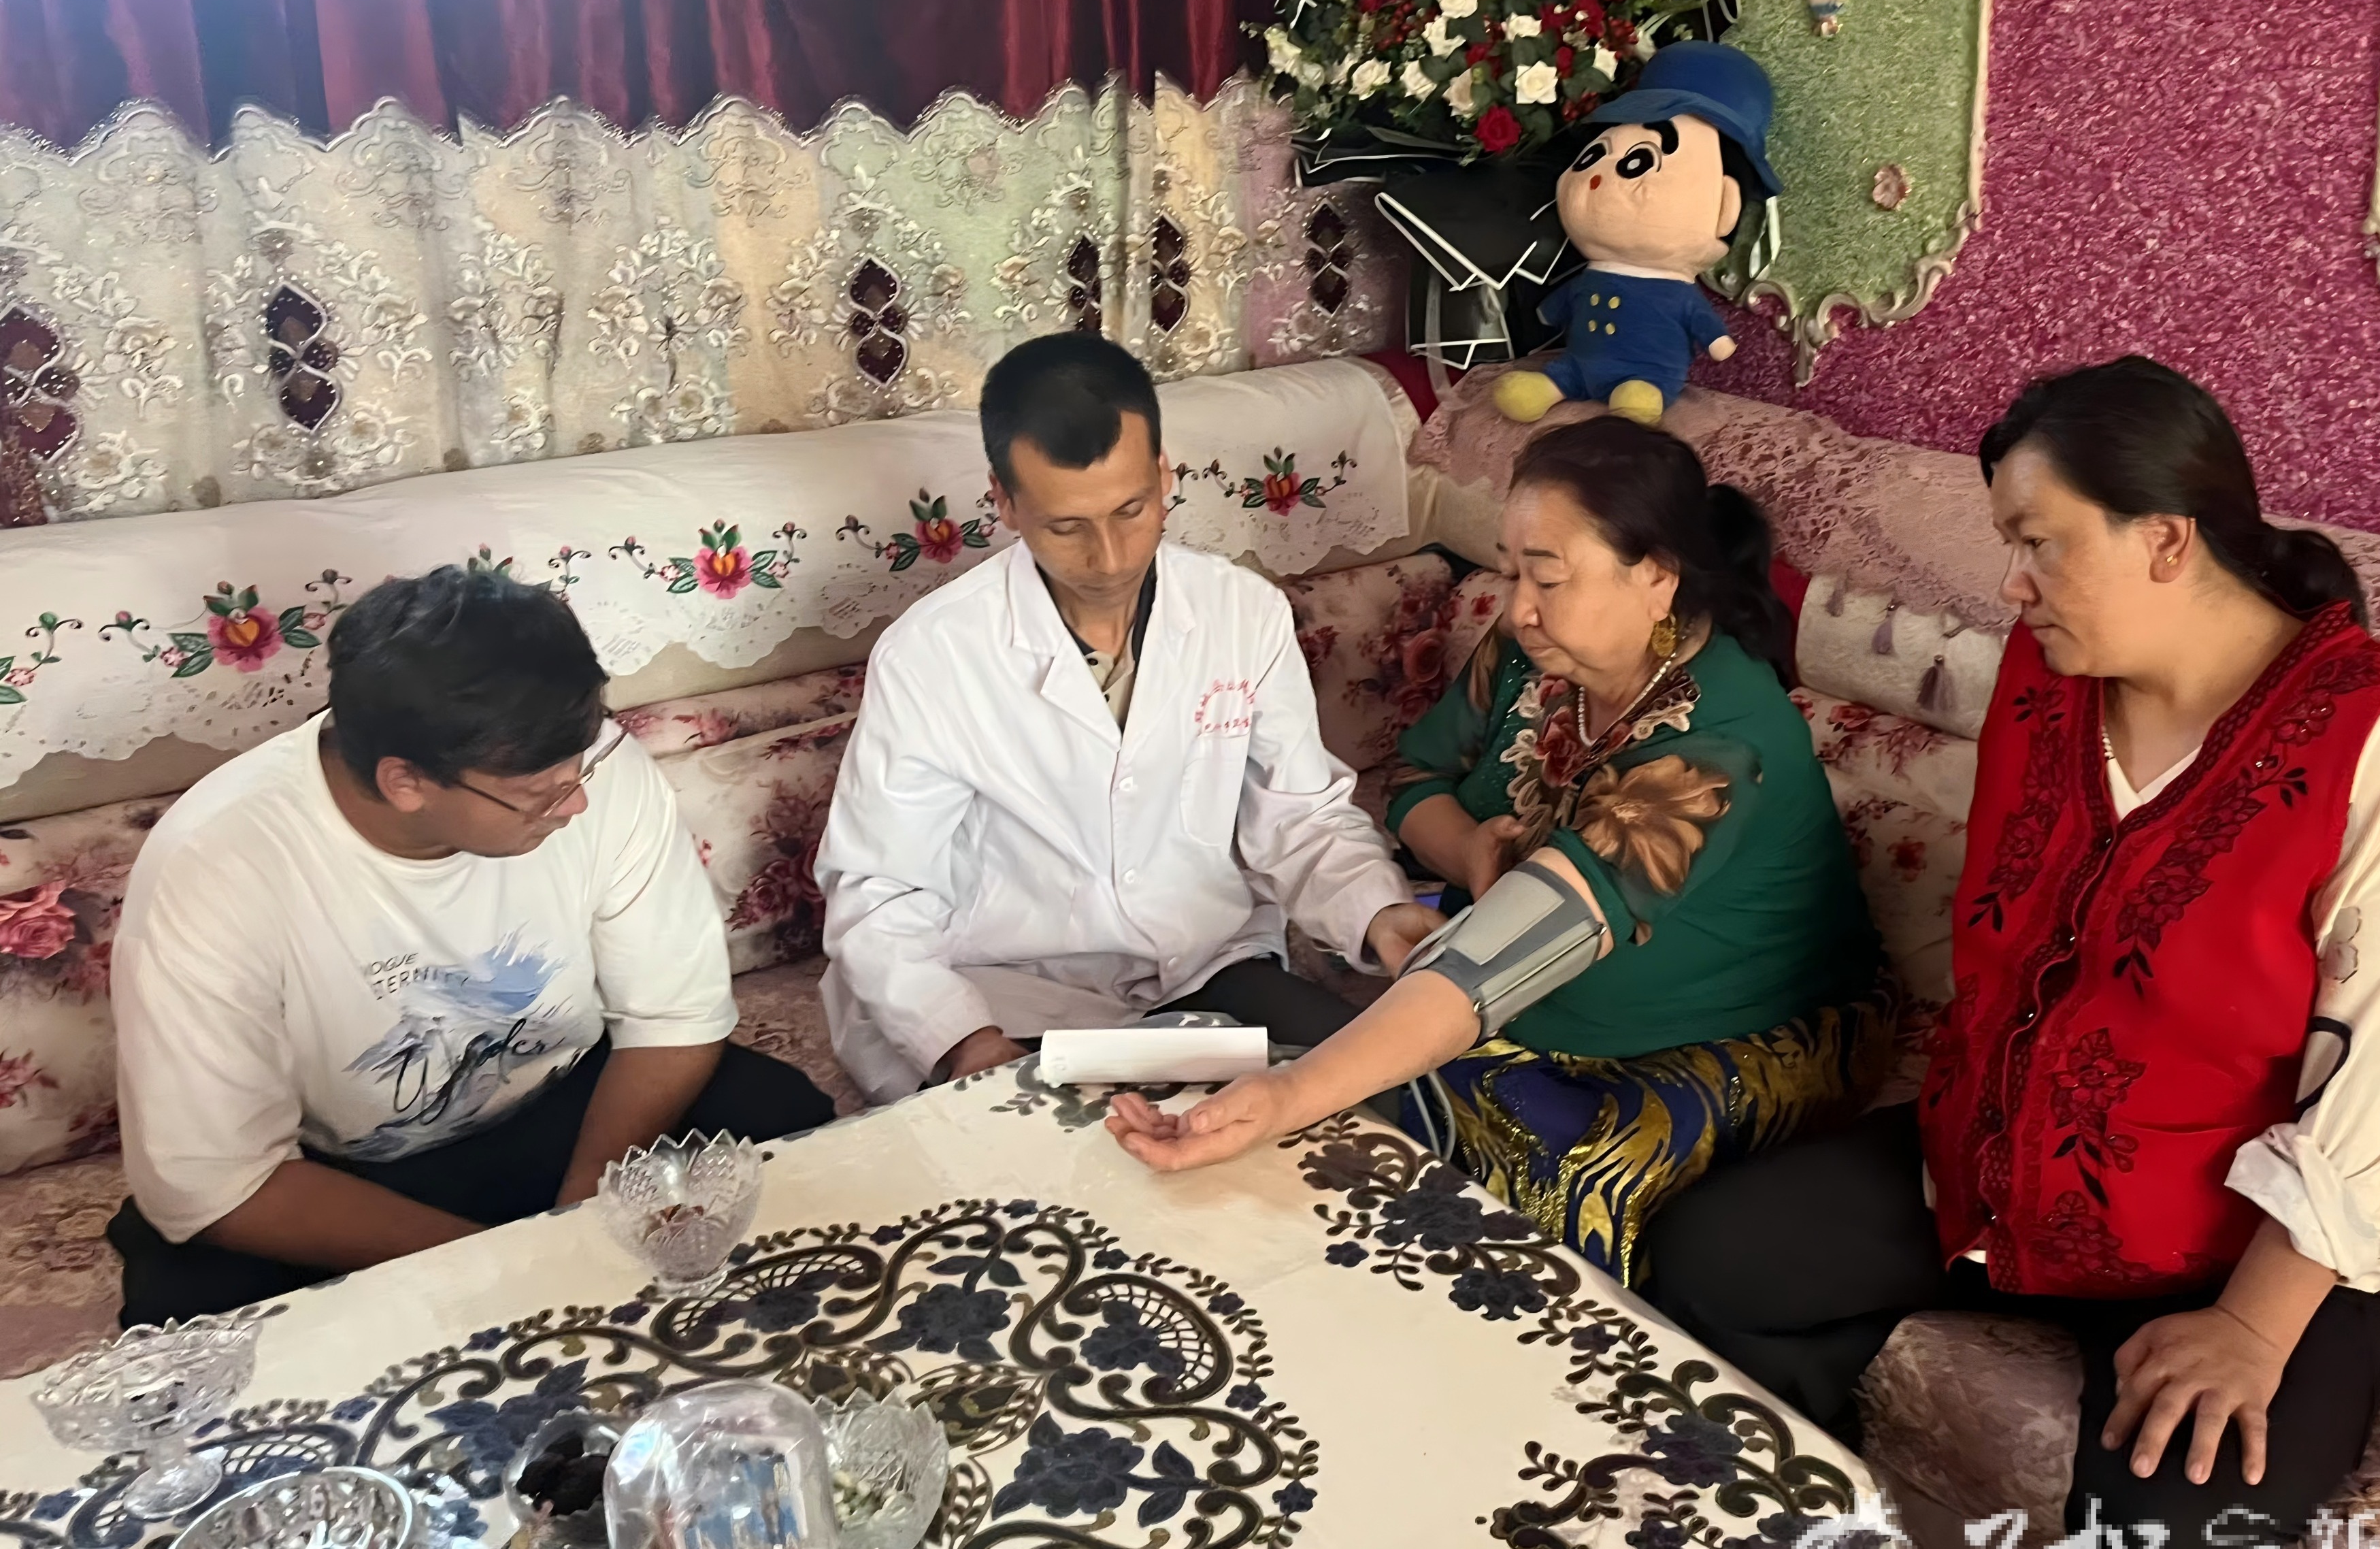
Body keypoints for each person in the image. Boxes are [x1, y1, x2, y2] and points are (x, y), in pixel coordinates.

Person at [1644, 358, 2380, 1544]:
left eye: (2040, 542)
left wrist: (2251, 1328)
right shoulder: (2046, 675)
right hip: (1997, 1168)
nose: (2013, 581)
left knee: (2172, 1518)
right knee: (1708, 1258)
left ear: (2166, 538)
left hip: (2249, 1244)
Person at [1107, 417, 1891, 1285]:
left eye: (1547, 577)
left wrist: (1293, 1094)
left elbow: (1498, 956)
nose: (1517, 606)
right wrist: (1465, 848)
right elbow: (1414, 778)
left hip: (1712, 1042)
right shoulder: (1535, 651)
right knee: (1281, 1057)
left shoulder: (1718, 748)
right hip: (1509, 994)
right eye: (1512, 570)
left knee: (1526, 1176)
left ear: (1657, 578)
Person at [108, 566, 833, 1326]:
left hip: (571, 1108)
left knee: (781, 1121)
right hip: (346, 1172)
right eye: (541, 793)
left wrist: (587, 1211)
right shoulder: (217, 862)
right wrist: (507, 1265)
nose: (577, 801)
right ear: (406, 782)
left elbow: (675, 1018)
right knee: (193, 1309)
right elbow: (220, 1182)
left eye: (581, 766)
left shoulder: (591, 767)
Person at [816, 333, 1444, 1098]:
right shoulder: (932, 654)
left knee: (1388, 1100)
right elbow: (879, 890)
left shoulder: (1242, 613)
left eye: (1132, 510)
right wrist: (965, 1041)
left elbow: (1299, 816)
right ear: (1005, 504)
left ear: (1164, 475)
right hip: (1008, 988)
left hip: (1205, 965)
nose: (1111, 558)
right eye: (1067, 527)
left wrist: (1379, 911)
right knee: (1074, 1162)